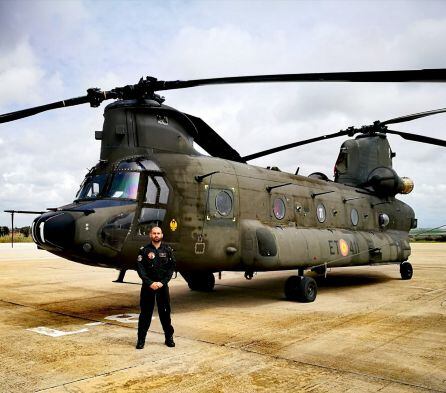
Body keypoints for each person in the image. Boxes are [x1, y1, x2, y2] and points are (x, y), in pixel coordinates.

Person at [136, 226, 176, 349]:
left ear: (162, 235)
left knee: (165, 314)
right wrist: (150, 283)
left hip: (162, 287)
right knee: (145, 314)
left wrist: (162, 282)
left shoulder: (168, 250)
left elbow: (171, 268)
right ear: (150, 235)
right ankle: (141, 340)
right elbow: (140, 269)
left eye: (158, 233)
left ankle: (169, 338)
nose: (156, 235)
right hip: (148, 287)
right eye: (154, 233)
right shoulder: (144, 250)